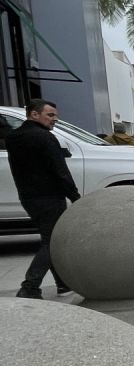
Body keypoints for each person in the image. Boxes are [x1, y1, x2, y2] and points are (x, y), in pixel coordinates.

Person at [7, 97, 79, 299]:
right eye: (50, 115)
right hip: (50, 197)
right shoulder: (45, 138)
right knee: (53, 241)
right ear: (34, 114)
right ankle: (30, 286)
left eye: (55, 115)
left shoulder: (13, 138)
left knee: (50, 238)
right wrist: (75, 196)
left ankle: (63, 285)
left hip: (28, 197)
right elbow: (60, 171)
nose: (54, 119)